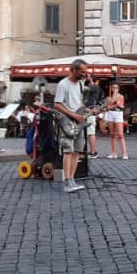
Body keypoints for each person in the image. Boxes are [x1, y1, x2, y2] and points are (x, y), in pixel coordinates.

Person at [53, 59, 88, 193]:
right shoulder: (63, 84)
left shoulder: (80, 84)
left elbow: (79, 104)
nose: (84, 74)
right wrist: (73, 115)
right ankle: (67, 181)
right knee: (68, 151)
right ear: (73, 70)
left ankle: (72, 180)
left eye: (85, 71)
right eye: (82, 71)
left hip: (78, 120)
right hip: (67, 121)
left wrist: (89, 111)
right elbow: (57, 104)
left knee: (77, 151)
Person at [106, 83, 129, 160]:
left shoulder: (120, 96)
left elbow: (119, 104)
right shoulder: (109, 97)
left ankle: (124, 153)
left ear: (118, 89)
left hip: (118, 114)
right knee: (112, 134)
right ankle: (113, 152)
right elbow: (107, 104)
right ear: (111, 89)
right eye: (113, 87)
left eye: (116, 87)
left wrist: (110, 105)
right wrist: (108, 105)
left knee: (120, 134)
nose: (115, 89)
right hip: (110, 114)